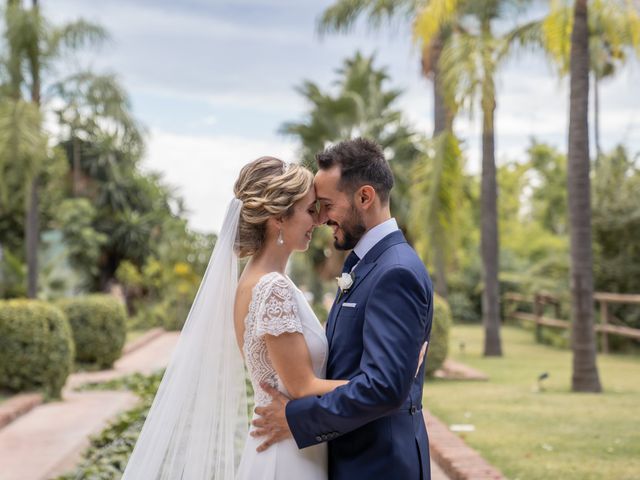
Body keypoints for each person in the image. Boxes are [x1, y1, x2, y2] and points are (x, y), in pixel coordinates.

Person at [251, 138, 434, 480]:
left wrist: (296, 418)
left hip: (379, 466)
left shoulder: (395, 271)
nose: (320, 219)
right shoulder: (365, 264)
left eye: (326, 205)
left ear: (364, 197)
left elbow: (383, 388)